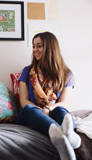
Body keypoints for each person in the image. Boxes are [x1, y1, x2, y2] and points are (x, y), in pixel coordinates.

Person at [15, 32, 81, 160]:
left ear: (50, 47)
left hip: (52, 110)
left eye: (39, 46)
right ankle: (62, 135)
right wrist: (41, 112)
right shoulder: (28, 71)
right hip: (31, 114)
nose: (35, 50)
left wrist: (48, 109)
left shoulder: (66, 74)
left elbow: (64, 102)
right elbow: (23, 101)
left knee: (61, 110)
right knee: (29, 109)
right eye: (33, 46)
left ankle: (69, 136)